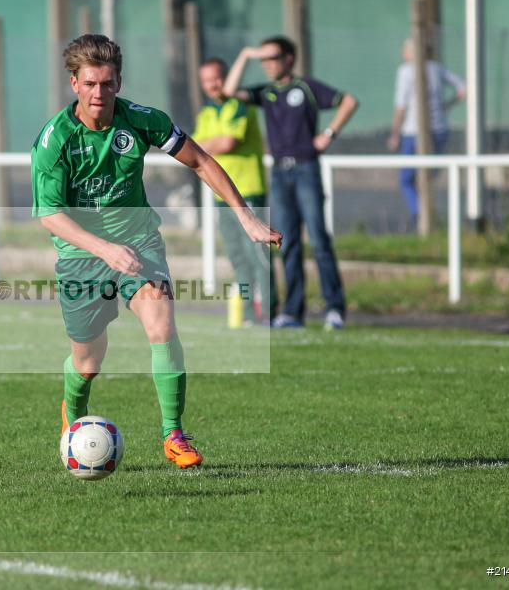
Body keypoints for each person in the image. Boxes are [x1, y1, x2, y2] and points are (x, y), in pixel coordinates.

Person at [31, 35, 281, 469]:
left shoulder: (142, 120)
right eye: (89, 84)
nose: (98, 93)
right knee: (88, 362)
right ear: (74, 83)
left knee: (161, 325)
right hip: (81, 254)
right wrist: (105, 250)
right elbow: (50, 216)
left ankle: (173, 434)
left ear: (118, 82)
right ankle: (73, 411)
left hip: (139, 243)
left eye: (107, 83)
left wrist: (247, 218)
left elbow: (201, 161)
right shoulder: (55, 141)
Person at [224, 36, 358, 330]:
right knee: (287, 243)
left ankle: (334, 308)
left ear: (289, 59)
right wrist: (245, 54)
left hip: (306, 169)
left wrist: (329, 134)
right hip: (279, 174)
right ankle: (294, 312)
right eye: (263, 59)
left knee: (319, 240)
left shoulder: (305, 87)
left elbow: (349, 101)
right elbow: (228, 91)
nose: (267, 64)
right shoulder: (266, 92)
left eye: (272, 58)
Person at [193, 57, 278, 323]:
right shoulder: (206, 113)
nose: (212, 85)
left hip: (248, 191)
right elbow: (193, 147)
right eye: (206, 81)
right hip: (221, 196)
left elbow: (228, 142)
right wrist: (206, 144)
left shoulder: (240, 105)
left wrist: (206, 145)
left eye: (216, 78)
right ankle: (249, 314)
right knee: (237, 257)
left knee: (258, 256)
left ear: (227, 77)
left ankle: (270, 314)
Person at [387, 38, 465, 229]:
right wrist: (446, 106)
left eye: (405, 49)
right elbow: (463, 88)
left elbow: (401, 106)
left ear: (413, 52)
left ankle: (420, 216)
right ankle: (428, 217)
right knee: (428, 177)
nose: (402, 53)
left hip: (413, 132)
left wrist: (395, 132)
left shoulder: (406, 71)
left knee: (406, 179)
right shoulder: (437, 68)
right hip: (439, 130)